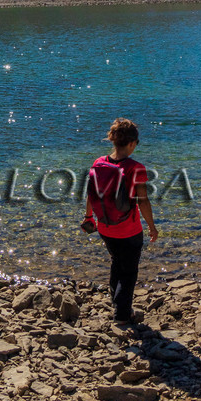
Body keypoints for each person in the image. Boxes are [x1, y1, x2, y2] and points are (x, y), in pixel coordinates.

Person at [83, 117, 158, 325]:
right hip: (129, 230)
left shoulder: (98, 163)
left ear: (113, 140)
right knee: (129, 272)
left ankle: (117, 303)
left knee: (117, 263)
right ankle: (123, 316)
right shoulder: (136, 168)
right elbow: (143, 201)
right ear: (132, 143)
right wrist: (152, 227)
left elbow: (91, 195)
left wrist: (89, 217)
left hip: (105, 228)